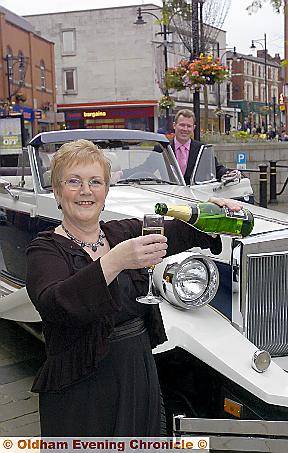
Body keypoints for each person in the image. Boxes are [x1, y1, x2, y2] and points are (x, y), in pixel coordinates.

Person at [26, 139, 242, 437]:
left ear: (106, 192)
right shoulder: (45, 250)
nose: (86, 191)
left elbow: (178, 231)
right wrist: (114, 261)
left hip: (136, 372)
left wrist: (212, 212)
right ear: (57, 191)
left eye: (95, 182)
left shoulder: (121, 231)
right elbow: (56, 303)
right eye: (74, 181)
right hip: (82, 385)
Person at [170, 109, 241, 184]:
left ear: (193, 128)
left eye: (189, 126)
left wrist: (229, 173)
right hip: (167, 194)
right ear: (174, 125)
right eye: (182, 125)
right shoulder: (163, 149)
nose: (185, 129)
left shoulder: (202, 149)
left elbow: (216, 169)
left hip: (195, 194)